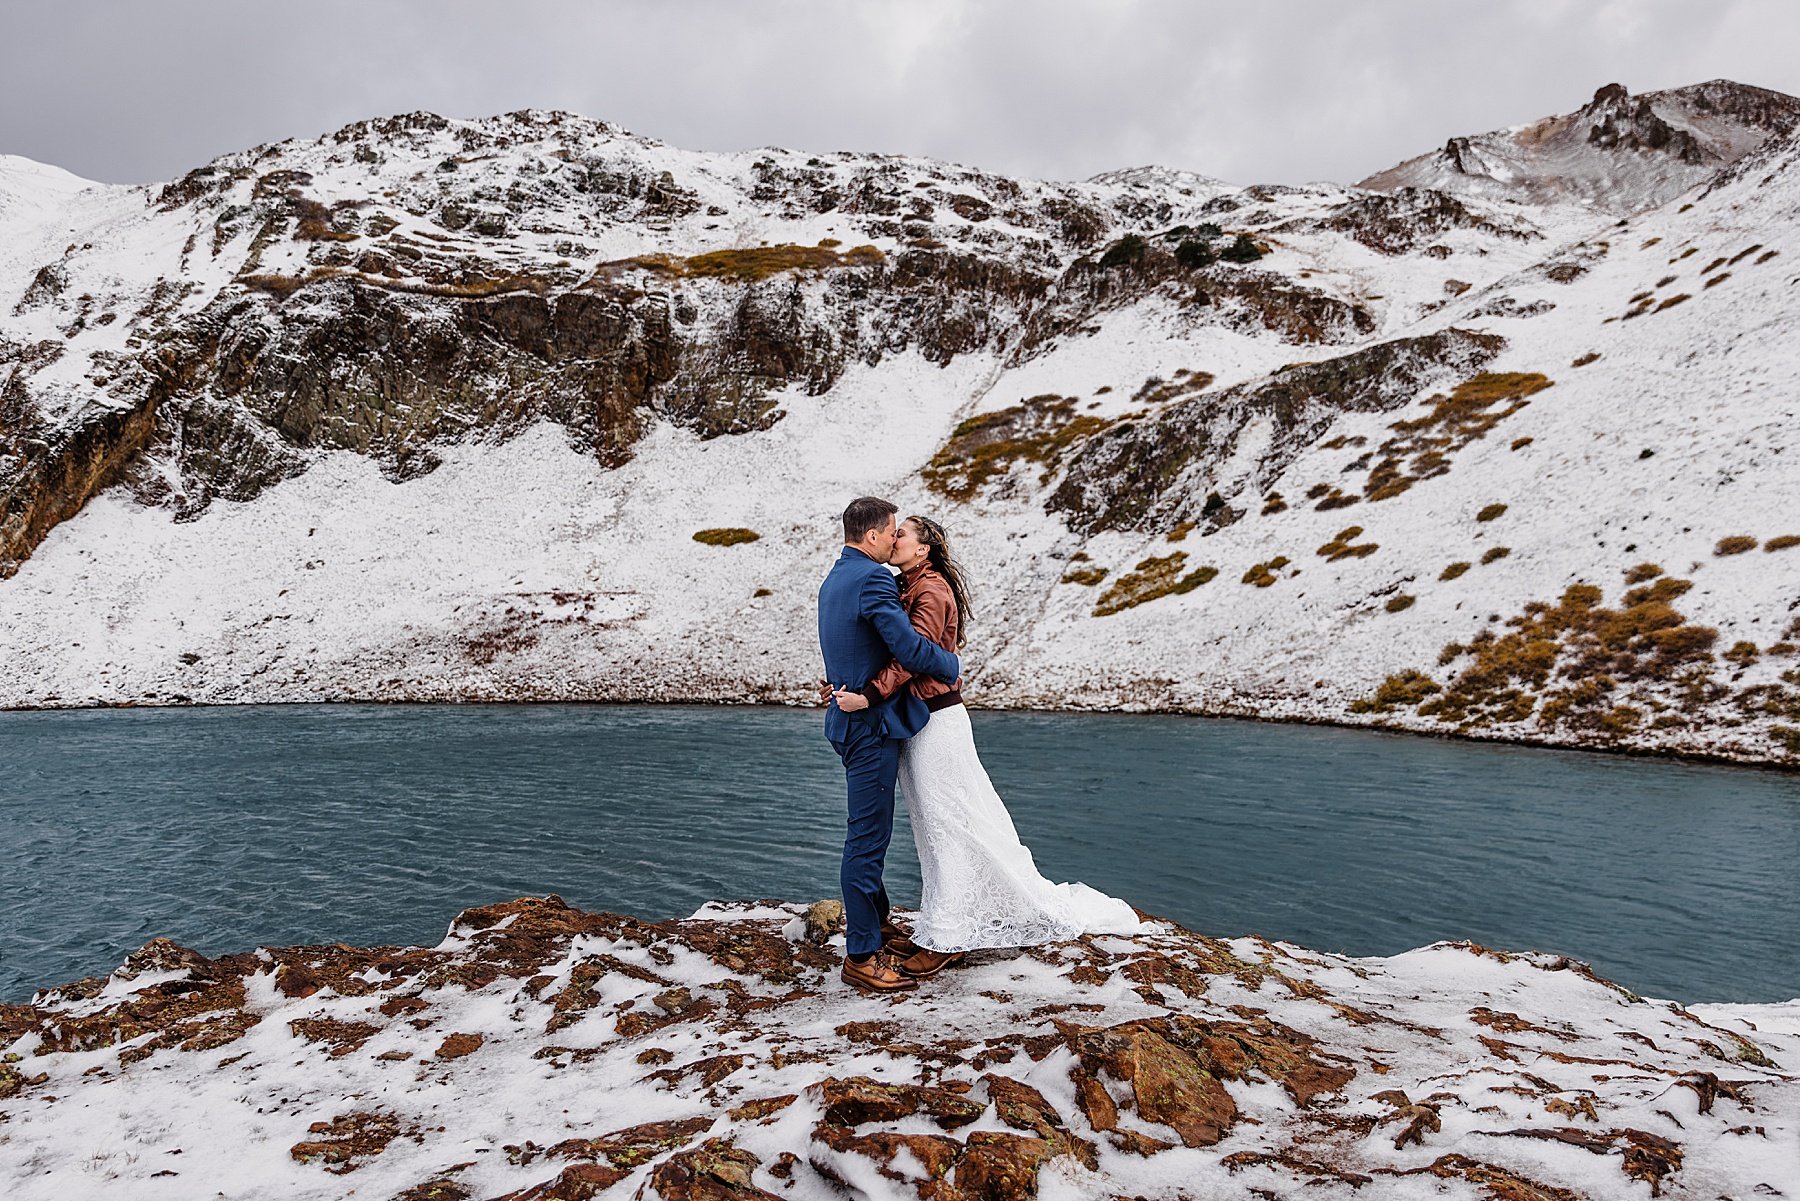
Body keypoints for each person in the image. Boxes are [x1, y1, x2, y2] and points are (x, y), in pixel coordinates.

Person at [831, 515, 1140, 979]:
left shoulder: (931, 590)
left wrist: (869, 693)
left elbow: (910, 658)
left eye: (903, 534)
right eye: (893, 533)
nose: (895, 539)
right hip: (918, 721)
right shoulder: (903, 584)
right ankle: (942, 920)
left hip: (937, 722)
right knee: (934, 825)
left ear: (924, 549)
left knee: (951, 822)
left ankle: (952, 934)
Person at [817, 497, 963, 994]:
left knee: (866, 831)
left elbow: (851, 646)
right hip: (870, 726)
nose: (895, 538)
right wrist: (950, 666)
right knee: (868, 839)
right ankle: (861, 954)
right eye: (893, 530)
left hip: (846, 719)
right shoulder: (875, 578)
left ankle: (876, 924)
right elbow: (907, 648)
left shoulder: (834, 578)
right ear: (876, 533)